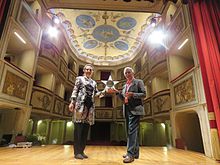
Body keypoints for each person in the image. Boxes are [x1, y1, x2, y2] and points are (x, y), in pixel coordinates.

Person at [69, 64, 103, 159]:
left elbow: (96, 94)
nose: (88, 71)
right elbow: (75, 90)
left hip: (90, 108)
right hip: (80, 106)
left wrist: (104, 92)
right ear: (84, 70)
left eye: (90, 70)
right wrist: (72, 102)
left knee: (85, 131)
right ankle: (77, 153)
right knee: (78, 130)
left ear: (92, 72)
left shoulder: (93, 83)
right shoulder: (79, 79)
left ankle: (81, 151)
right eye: (87, 69)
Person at [115, 67, 146, 163]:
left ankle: (130, 154)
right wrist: (117, 93)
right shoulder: (125, 86)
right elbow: (123, 98)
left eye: (129, 72)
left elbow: (144, 94)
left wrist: (133, 94)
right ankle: (135, 153)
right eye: (125, 73)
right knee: (130, 132)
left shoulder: (139, 82)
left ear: (133, 72)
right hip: (127, 110)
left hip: (135, 109)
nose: (127, 74)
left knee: (132, 131)